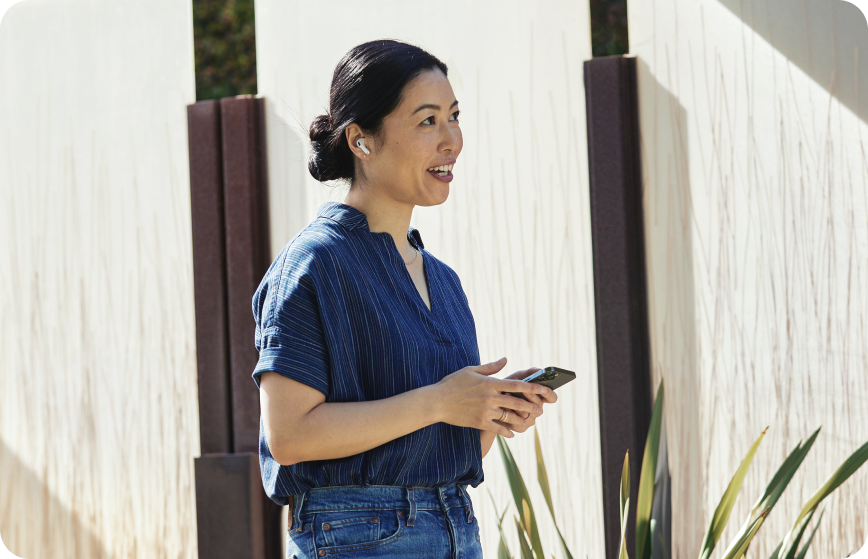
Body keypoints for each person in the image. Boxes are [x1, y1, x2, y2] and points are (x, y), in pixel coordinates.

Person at [252, 39, 558, 559]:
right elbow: (290, 435)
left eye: (454, 117)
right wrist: (439, 400)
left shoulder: (444, 281)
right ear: (361, 140)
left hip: (456, 526)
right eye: (427, 121)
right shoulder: (315, 264)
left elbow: (434, 445)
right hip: (359, 538)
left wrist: (488, 410)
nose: (452, 140)